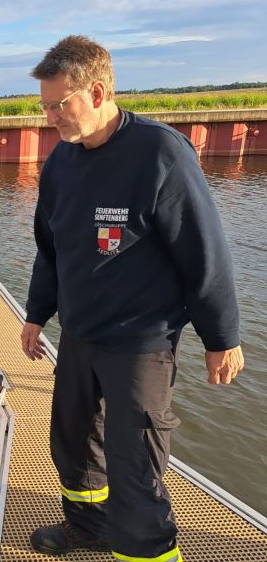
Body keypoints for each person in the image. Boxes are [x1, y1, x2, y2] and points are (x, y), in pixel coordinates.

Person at [21, 35, 244, 561]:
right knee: (74, 445)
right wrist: (36, 314)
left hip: (141, 342)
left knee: (134, 462)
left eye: (59, 104)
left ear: (96, 92)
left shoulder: (161, 153)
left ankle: (147, 553)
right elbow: (50, 248)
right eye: (43, 106)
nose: (50, 116)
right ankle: (88, 526)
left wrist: (222, 337)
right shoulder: (61, 164)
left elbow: (205, 252)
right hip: (79, 334)